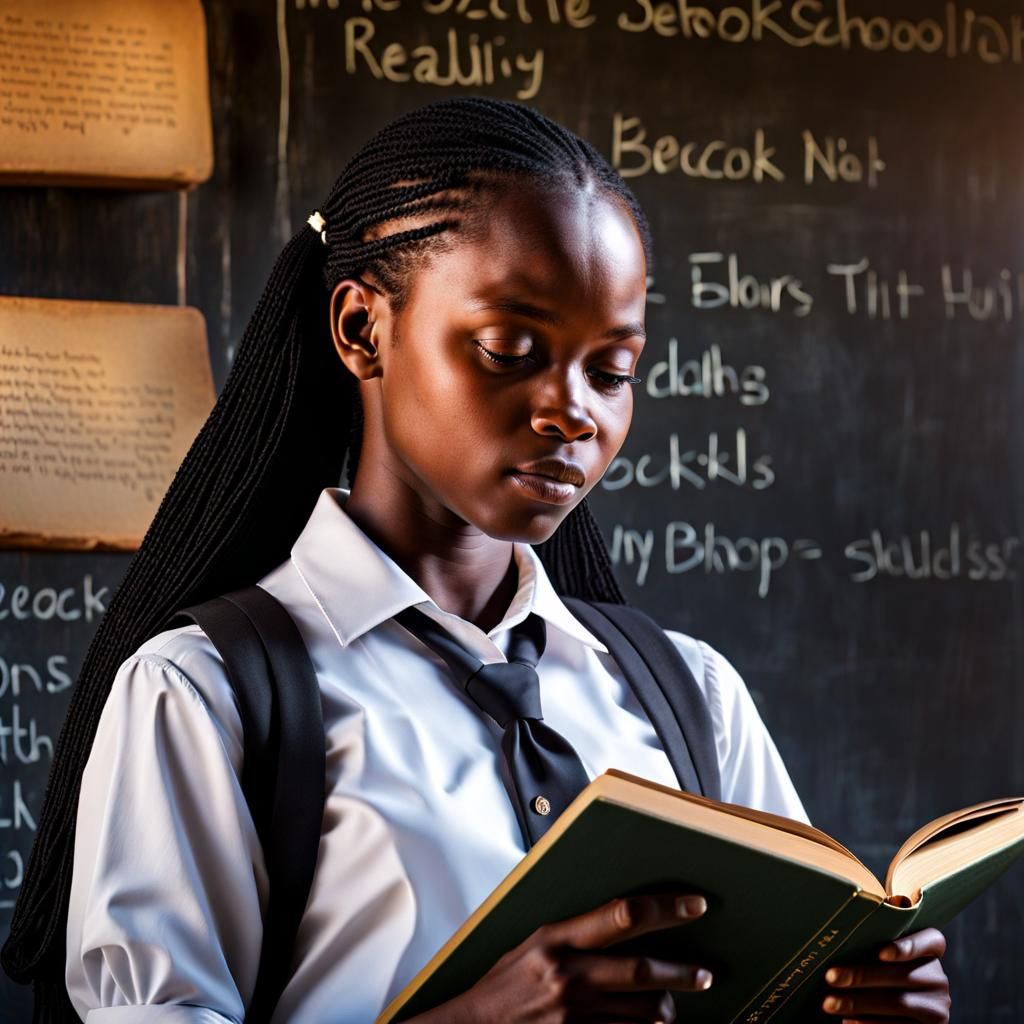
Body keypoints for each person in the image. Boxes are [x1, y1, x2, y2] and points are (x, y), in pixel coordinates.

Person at [7, 98, 950, 1023]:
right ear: (361, 330)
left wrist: (859, 1006)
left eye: (613, 370)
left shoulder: (693, 696)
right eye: (509, 347)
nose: (574, 410)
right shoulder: (210, 695)